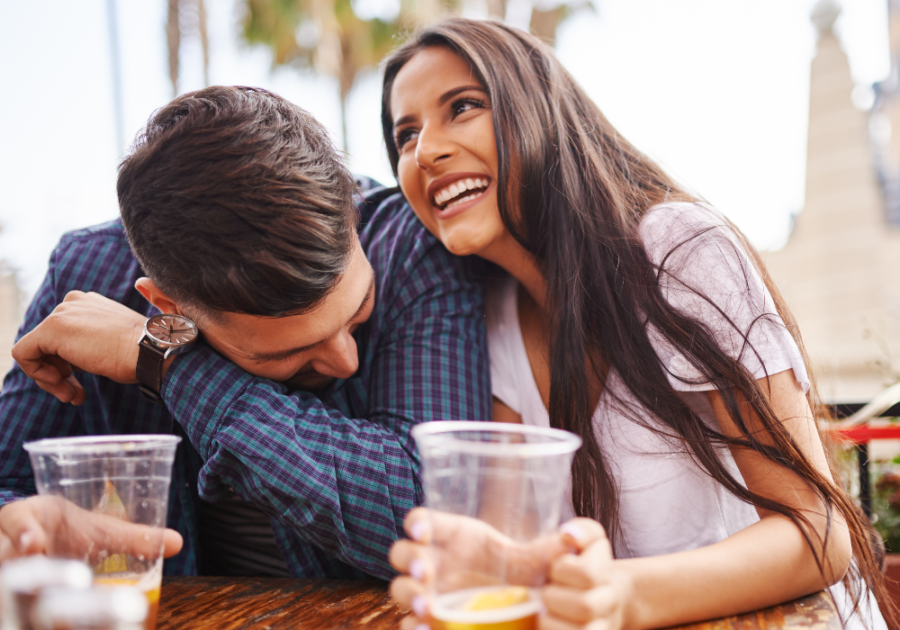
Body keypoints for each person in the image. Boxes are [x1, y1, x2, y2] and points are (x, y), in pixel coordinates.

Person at [379, 18, 892, 630]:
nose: (425, 151)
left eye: (462, 107)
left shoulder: (676, 250)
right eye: (404, 135)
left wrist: (621, 596)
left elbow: (821, 531)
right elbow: (537, 560)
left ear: (538, 112)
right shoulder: (488, 317)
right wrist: (507, 572)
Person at [0, 85, 491, 579]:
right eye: (293, 351)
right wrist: (15, 525)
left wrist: (167, 361)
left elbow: (434, 516)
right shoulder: (87, 276)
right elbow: (7, 483)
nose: (347, 361)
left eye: (359, 308)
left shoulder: (414, 246)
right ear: (167, 305)